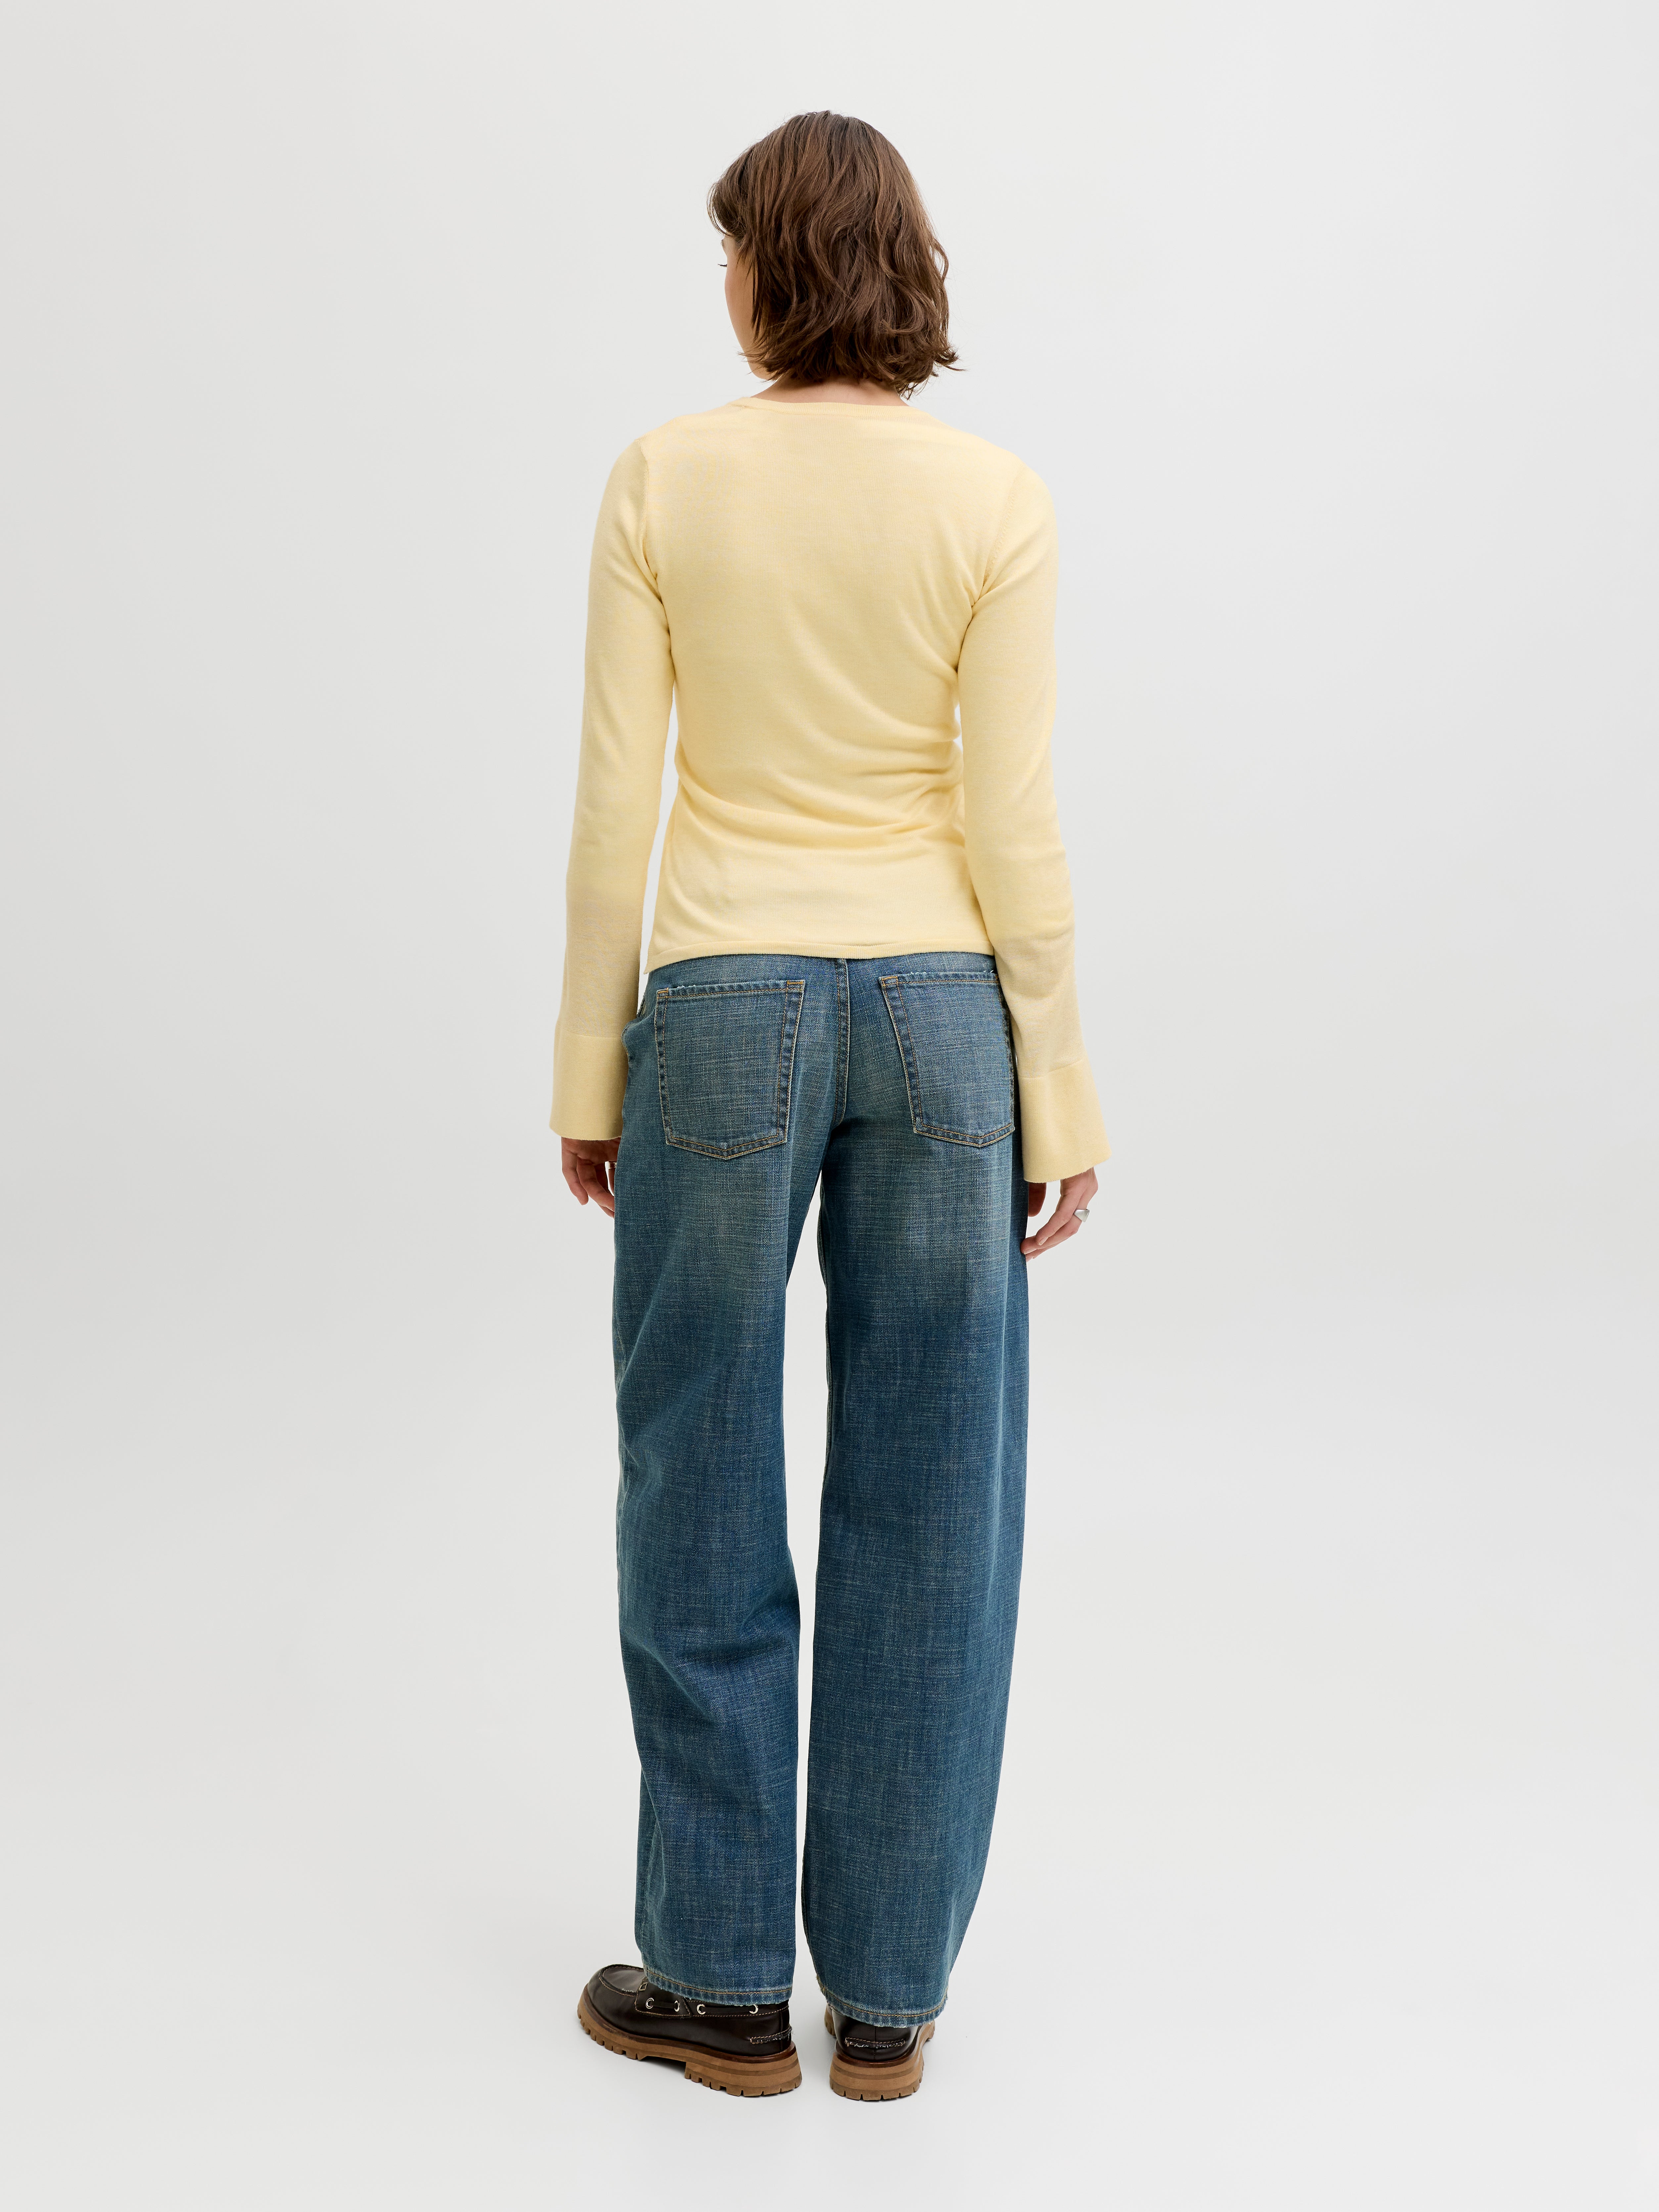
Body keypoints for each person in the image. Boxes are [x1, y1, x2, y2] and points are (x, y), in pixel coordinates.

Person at [552, 111, 1108, 2102]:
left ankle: (716, 1985)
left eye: (728, 252)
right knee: (935, 1497)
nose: (719, 285)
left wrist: (590, 1066)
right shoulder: (994, 497)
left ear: (769, 270)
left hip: (719, 1009)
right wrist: (1058, 1085)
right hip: (947, 1021)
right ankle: (883, 2000)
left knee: (694, 1469)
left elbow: (615, 808)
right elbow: (1011, 821)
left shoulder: (663, 476)